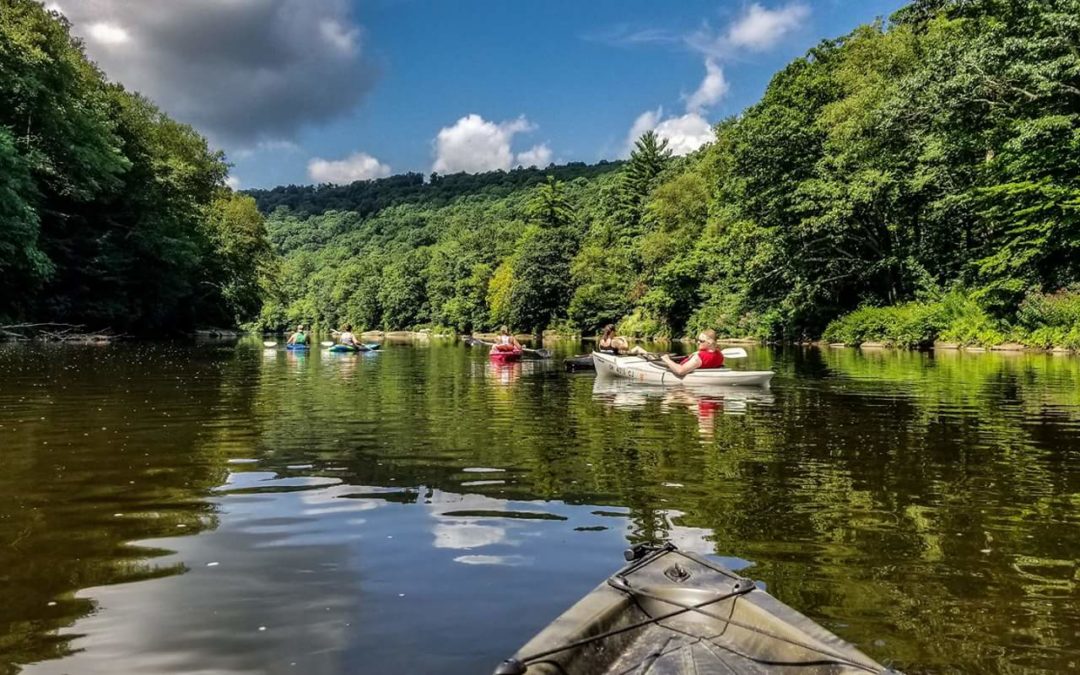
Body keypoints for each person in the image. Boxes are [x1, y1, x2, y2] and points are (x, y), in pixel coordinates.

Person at [660, 329, 725, 377]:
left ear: (709, 342)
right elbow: (709, 354)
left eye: (701, 341)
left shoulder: (699, 357)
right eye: (698, 340)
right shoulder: (719, 354)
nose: (698, 342)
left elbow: (680, 371)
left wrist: (666, 359)